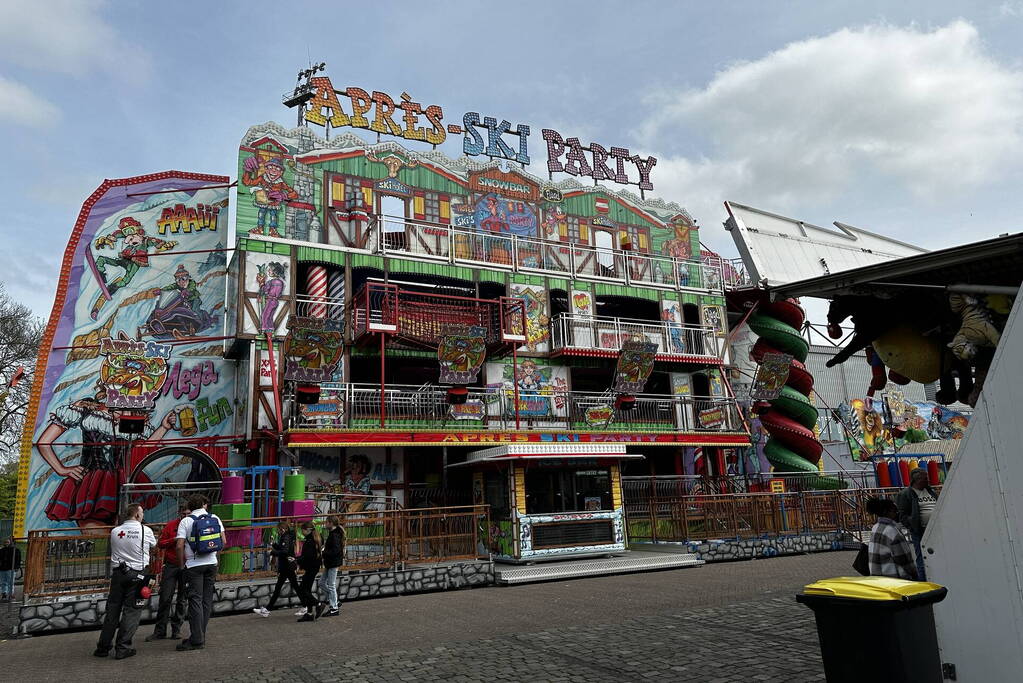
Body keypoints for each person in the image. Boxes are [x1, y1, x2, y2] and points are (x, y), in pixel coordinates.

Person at [94, 504, 157, 660]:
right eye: (141, 512)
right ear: (136, 515)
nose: (143, 515)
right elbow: (154, 545)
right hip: (138, 575)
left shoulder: (115, 531)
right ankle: (123, 647)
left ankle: (103, 647)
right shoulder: (145, 530)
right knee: (132, 611)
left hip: (118, 575)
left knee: (112, 611)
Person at [175, 493, 225, 651]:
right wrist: (214, 557)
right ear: (204, 504)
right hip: (211, 564)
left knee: (195, 600)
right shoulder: (215, 518)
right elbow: (223, 541)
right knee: (206, 601)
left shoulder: (186, 521)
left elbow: (179, 546)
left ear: (190, 506)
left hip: (194, 565)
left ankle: (196, 639)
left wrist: (182, 564)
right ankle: (200, 635)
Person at [145, 501, 191, 642]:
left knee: (182, 600)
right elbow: (161, 543)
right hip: (171, 565)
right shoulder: (171, 525)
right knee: (165, 598)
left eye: (188, 514)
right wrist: (175, 540)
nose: (185, 516)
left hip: (188, 565)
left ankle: (176, 630)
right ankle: (160, 631)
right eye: (183, 514)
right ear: (179, 514)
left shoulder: (193, 525)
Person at [897, 467, 939, 580]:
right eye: (925, 478)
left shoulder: (931, 491)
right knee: (922, 558)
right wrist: (913, 526)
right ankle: (924, 580)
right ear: (917, 480)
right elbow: (902, 515)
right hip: (920, 530)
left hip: (935, 529)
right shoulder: (906, 494)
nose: (928, 480)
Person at [252, 520, 300, 617]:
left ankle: (308, 605)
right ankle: (267, 609)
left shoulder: (286, 537)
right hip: (287, 566)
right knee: (290, 587)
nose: (278, 531)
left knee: (289, 587)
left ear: (282, 529)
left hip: (287, 566)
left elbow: (284, 551)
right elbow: (283, 549)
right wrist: (274, 544)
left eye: (278, 530)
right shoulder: (287, 536)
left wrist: (273, 552)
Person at [866, 497, 918, 580]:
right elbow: (904, 559)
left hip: (877, 578)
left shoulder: (875, 528)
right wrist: (915, 574)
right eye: (895, 511)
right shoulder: (893, 531)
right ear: (887, 512)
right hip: (895, 579)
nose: (897, 514)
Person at [296, 521, 325, 621]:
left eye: (302, 530)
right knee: (306, 590)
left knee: (303, 589)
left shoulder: (310, 541)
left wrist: (296, 560)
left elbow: (307, 557)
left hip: (311, 567)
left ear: (306, 530)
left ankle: (318, 604)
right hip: (313, 567)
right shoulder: (315, 538)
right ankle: (309, 613)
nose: (302, 532)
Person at [320, 517, 345, 617]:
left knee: (331, 585)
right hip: (330, 563)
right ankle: (335, 601)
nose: (325, 524)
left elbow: (335, 550)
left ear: (331, 523)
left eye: (326, 522)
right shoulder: (333, 533)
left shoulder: (334, 535)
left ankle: (334, 608)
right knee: (321, 583)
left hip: (333, 563)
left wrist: (324, 552)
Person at [0, 537, 21, 601]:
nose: (6, 543)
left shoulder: (15, 550)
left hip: (10, 568)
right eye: (5, 542)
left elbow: (18, 559)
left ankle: (11, 595)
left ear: (11, 542)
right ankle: (4, 594)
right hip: (2, 568)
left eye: (7, 542)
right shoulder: (1, 550)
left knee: (10, 582)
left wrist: (17, 567)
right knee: (3, 582)